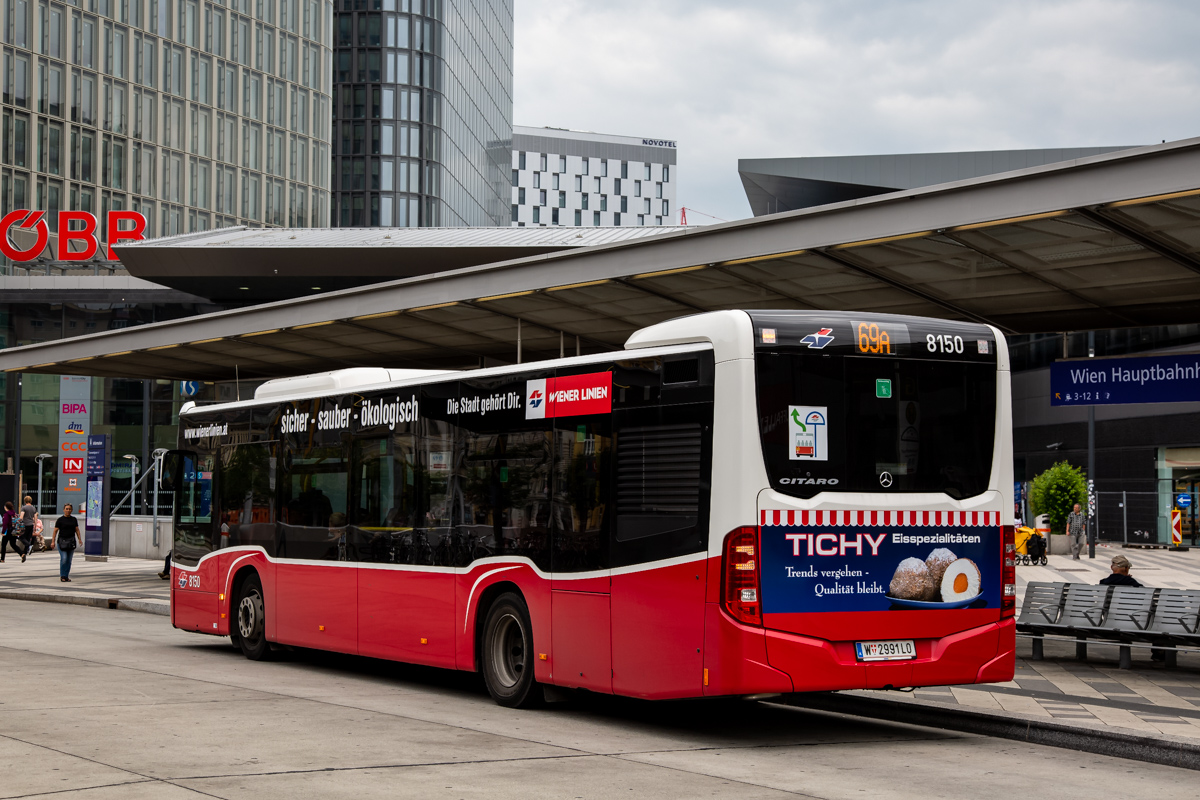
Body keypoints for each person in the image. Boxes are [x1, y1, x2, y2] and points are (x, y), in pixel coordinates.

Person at [50, 503, 82, 583]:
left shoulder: (74, 519)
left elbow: (77, 530)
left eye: (69, 509)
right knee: (64, 558)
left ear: (72, 510)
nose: (68, 510)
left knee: (69, 560)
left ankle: (66, 576)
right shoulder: (60, 520)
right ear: (64, 510)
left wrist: (79, 539)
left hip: (71, 542)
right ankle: (62, 575)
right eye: (66, 509)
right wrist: (53, 542)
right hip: (62, 542)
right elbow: (55, 531)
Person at [18, 495, 37, 563]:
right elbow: (35, 518)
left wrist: (18, 522)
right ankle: (25, 553)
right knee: (28, 538)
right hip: (31, 525)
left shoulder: (24, 508)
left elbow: (21, 517)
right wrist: (35, 526)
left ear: (25, 501)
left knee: (21, 537)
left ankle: (28, 545)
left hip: (25, 525)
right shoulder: (33, 508)